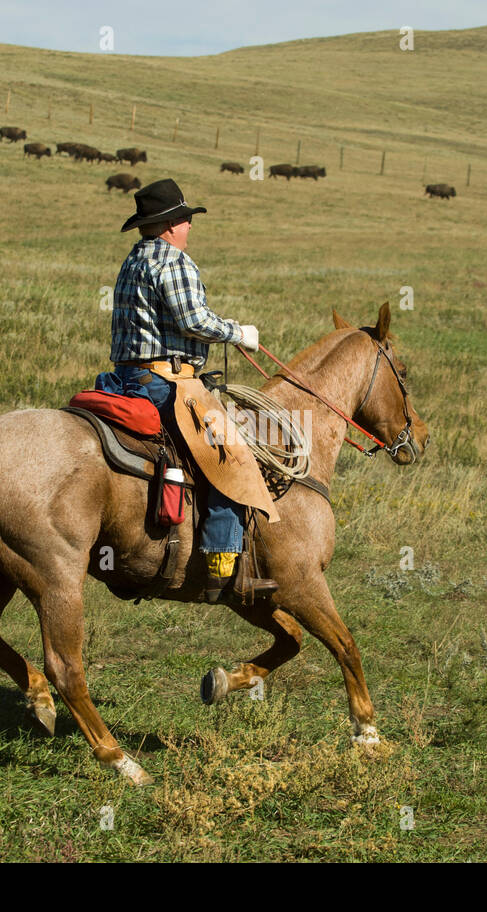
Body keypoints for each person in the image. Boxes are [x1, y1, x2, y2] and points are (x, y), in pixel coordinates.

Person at [105, 178, 278, 604]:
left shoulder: (134, 259)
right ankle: (223, 564)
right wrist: (239, 333)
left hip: (126, 379)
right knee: (230, 453)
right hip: (165, 383)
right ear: (167, 226)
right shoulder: (172, 260)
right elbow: (193, 321)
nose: (188, 226)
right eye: (183, 219)